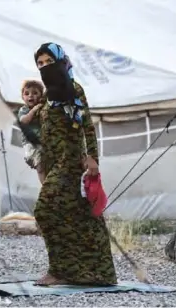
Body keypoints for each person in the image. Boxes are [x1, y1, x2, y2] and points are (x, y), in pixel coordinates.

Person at [33, 42, 117, 286]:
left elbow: (87, 125)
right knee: (80, 216)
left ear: (61, 60)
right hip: (53, 162)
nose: (45, 67)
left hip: (71, 161)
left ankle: (59, 270)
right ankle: (96, 273)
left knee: (45, 210)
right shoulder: (48, 96)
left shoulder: (73, 89)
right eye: (40, 64)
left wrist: (93, 158)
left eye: (49, 61)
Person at [18, 80, 45, 184]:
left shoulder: (43, 108)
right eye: (27, 93)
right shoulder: (24, 110)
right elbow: (24, 121)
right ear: (22, 97)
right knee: (40, 165)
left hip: (42, 142)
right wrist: (33, 111)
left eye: (35, 93)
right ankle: (45, 187)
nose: (31, 96)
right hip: (31, 143)